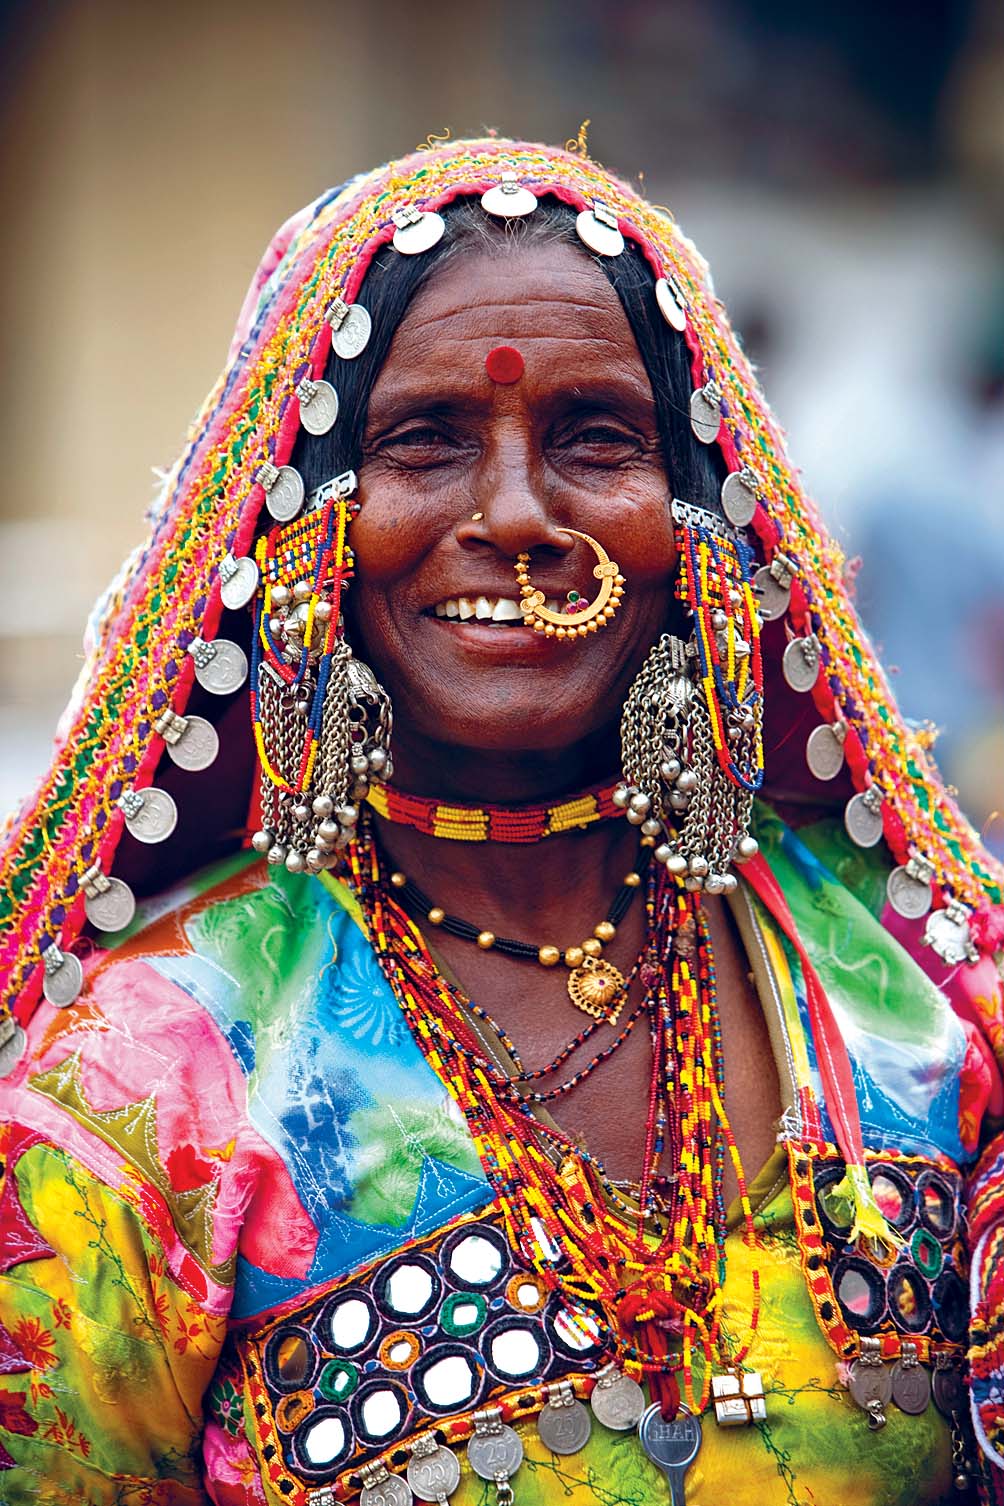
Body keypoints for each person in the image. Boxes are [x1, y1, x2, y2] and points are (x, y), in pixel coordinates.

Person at [0, 138, 1002, 1506]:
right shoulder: (136, 1083)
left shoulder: (920, 991)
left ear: (694, 519)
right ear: (301, 534)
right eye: (425, 441)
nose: (520, 513)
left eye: (597, 436)